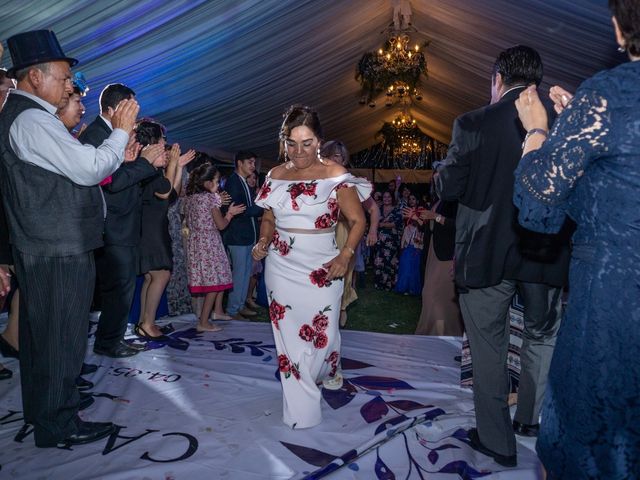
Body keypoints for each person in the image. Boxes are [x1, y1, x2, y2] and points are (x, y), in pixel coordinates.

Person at [513, 1, 640, 476]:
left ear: (619, 26)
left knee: (592, 445)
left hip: (616, 305)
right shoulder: (603, 104)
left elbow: (540, 205)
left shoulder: (610, 92)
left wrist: (540, 132)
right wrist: (584, 131)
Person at [0, 30, 139, 447]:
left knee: (45, 339)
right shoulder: (31, 119)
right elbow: (89, 168)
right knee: (61, 337)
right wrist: (120, 131)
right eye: (63, 78)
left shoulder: (27, 116)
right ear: (35, 78)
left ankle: (47, 417)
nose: (69, 87)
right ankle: (59, 423)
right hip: (57, 248)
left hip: (46, 245)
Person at [435, 45, 571, 467]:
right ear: (538, 81)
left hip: (487, 251)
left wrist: (443, 171)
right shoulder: (559, 124)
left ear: (497, 80)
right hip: (543, 251)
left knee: (489, 345)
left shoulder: (473, 122)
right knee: (542, 334)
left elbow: (449, 190)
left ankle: (498, 441)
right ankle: (530, 419)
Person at [252, 104, 370, 429]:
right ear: (283, 141)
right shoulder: (276, 175)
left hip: (324, 265)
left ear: (319, 140)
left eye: (306, 143)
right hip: (281, 265)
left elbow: (358, 220)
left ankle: (330, 367)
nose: (299, 151)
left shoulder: (335, 176)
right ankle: (301, 411)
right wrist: (263, 240)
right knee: (289, 337)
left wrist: (345, 255)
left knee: (323, 334)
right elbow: (268, 217)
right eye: (292, 143)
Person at [79, 83, 163, 358]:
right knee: (117, 289)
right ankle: (107, 342)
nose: (135, 116)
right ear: (113, 109)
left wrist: (132, 163)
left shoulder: (114, 134)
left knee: (121, 289)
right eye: (130, 108)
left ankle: (112, 338)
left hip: (122, 224)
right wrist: (144, 163)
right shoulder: (95, 134)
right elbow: (109, 183)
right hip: (110, 227)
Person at [134, 120, 195, 341]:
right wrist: (173, 165)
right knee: (161, 274)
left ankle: (144, 322)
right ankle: (148, 323)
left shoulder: (154, 170)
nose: (165, 144)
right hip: (150, 230)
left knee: (153, 276)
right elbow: (165, 191)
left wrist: (177, 166)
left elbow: (172, 196)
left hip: (154, 227)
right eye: (163, 140)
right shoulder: (148, 169)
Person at [319, 140, 379, 326]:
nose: (341, 160)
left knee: (343, 273)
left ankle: (341, 307)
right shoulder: (317, 179)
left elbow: (374, 209)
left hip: (344, 232)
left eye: (343, 157)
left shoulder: (349, 181)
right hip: (320, 234)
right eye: (336, 155)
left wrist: (373, 231)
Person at [184, 163, 245, 331]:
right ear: (208, 183)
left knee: (218, 275)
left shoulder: (189, 198)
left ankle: (217, 311)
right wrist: (230, 214)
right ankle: (203, 322)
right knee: (214, 281)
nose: (219, 186)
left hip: (196, 243)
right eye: (217, 182)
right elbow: (221, 225)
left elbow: (189, 222)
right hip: (209, 242)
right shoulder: (210, 199)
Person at [414, 172, 463, 335]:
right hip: (432, 253)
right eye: (433, 181)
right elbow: (433, 228)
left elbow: (460, 226)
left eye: (439, 180)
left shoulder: (456, 200)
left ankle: (445, 331)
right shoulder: (438, 201)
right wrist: (420, 221)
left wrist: (436, 217)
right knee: (428, 292)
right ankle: (429, 330)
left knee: (439, 295)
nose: (435, 184)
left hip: (448, 254)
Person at [222, 150, 263, 320]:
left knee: (245, 272)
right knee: (239, 273)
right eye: (250, 162)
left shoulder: (242, 182)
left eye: (254, 163)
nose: (253, 166)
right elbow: (239, 209)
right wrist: (263, 207)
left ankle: (239, 305)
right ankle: (232, 309)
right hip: (237, 236)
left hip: (246, 235)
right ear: (240, 163)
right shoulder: (233, 182)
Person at [395, 193, 424, 296]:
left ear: (417, 200)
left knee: (414, 267)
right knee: (405, 265)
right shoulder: (405, 211)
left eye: (413, 198)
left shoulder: (422, 212)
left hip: (417, 242)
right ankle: (404, 287)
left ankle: (413, 288)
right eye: (410, 199)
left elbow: (423, 226)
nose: (411, 201)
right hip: (407, 239)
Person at [374, 190, 403, 290]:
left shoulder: (397, 210)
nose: (386, 199)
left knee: (390, 261)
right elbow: (373, 221)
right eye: (385, 197)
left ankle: (390, 284)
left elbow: (396, 223)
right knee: (379, 260)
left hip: (392, 241)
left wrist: (382, 224)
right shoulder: (378, 209)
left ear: (392, 198)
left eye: (389, 197)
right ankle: (379, 283)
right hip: (379, 240)